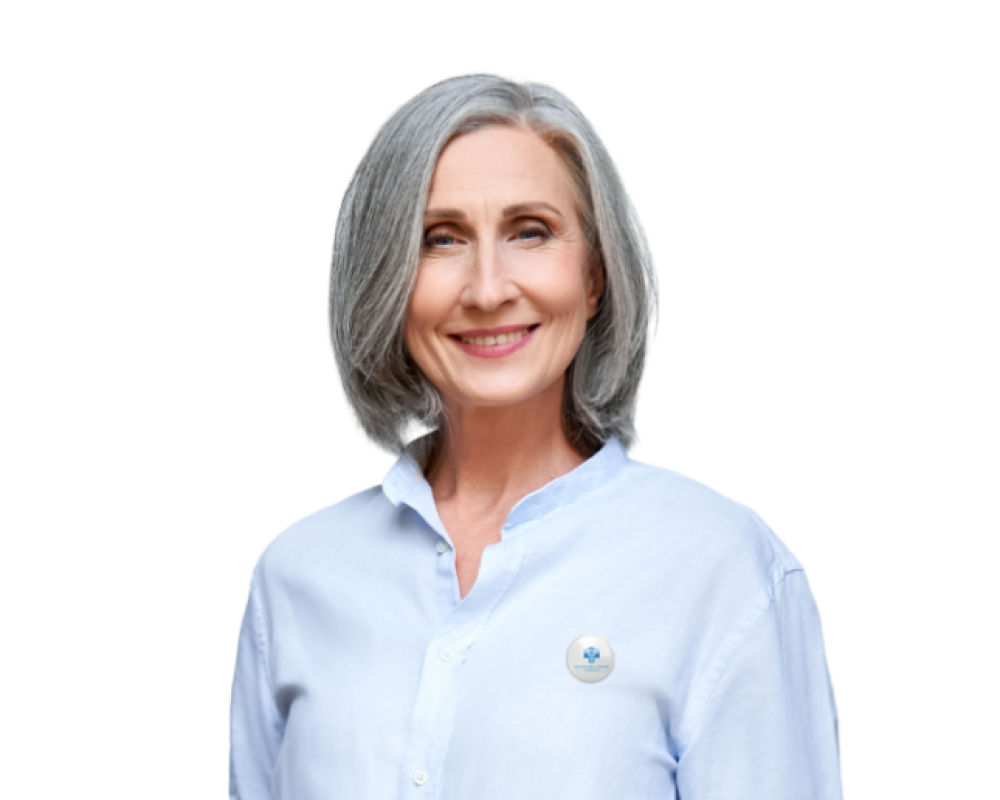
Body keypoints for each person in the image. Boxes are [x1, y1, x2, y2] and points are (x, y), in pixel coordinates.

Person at [227, 70, 844, 799]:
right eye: (439, 238)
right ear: (386, 280)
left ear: (593, 277)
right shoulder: (295, 574)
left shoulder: (720, 568)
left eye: (531, 231)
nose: (488, 289)